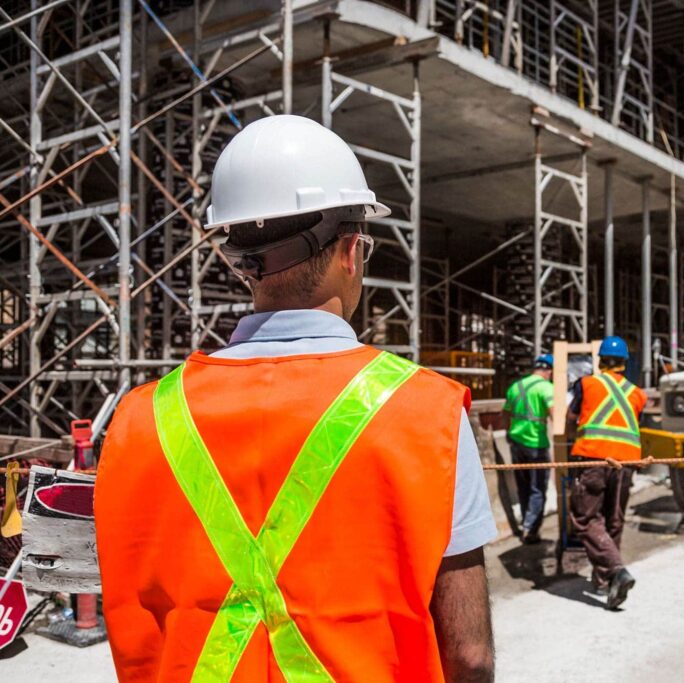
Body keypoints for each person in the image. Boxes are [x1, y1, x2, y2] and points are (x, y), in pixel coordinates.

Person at [94, 115, 497, 682]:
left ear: (240, 261)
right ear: (353, 251)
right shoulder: (427, 413)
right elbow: (470, 655)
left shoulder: (141, 417)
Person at [567, 336, 647, 610]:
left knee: (585, 518)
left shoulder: (587, 384)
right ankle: (605, 581)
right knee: (614, 519)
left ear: (600, 361)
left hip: (595, 458)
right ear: (624, 363)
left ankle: (616, 570)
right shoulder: (638, 393)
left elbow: (570, 416)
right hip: (625, 463)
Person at [502, 354, 555, 544]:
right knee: (538, 488)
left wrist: (509, 432)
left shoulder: (515, 387)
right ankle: (530, 530)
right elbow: (554, 413)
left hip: (516, 444)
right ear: (548, 370)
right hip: (536, 445)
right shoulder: (546, 388)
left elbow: (505, 413)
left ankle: (526, 522)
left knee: (523, 487)